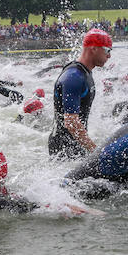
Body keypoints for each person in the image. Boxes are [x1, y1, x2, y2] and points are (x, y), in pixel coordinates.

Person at [49, 28, 112, 160]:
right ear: (94, 48)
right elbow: (71, 122)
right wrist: (96, 153)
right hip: (64, 151)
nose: (109, 56)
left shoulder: (85, 72)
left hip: (77, 145)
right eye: (107, 50)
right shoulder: (74, 77)